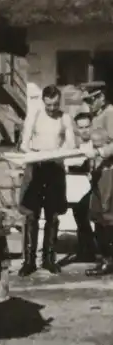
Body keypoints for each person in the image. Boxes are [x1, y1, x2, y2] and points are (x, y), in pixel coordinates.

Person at [18, 85, 76, 277]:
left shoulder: (65, 118)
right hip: (36, 167)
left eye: (55, 104)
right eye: (49, 104)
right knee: (31, 215)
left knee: (52, 215)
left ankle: (49, 259)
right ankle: (29, 261)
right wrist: (37, 154)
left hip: (55, 169)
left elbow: (71, 145)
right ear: (43, 101)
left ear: (60, 102)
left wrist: (58, 153)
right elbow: (24, 144)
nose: (52, 108)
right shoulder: (34, 116)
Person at [80, 82, 113, 276]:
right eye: (87, 100)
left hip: (109, 171)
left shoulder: (110, 114)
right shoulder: (96, 116)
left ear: (101, 97)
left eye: (92, 99)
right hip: (98, 172)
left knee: (106, 217)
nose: (89, 104)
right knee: (97, 215)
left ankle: (107, 261)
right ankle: (102, 258)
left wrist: (101, 151)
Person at [64, 112, 96, 263]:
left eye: (87, 127)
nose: (84, 130)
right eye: (81, 127)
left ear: (92, 126)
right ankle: (86, 251)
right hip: (79, 186)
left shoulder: (97, 143)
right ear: (76, 129)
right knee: (80, 216)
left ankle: (96, 251)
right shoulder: (73, 145)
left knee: (97, 219)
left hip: (97, 186)